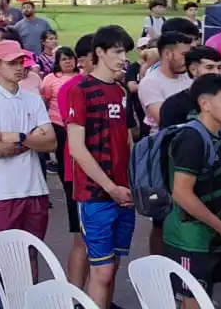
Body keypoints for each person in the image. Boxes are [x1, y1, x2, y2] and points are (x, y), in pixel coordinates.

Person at [0, 40, 57, 299]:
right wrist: (32, 139)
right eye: (13, 63)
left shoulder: (33, 99)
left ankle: (27, 301)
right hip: (3, 192)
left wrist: (18, 137)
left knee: (32, 251)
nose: (19, 67)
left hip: (34, 189)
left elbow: (52, 142)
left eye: (21, 62)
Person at [64, 25, 135, 309]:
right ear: (100, 52)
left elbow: (127, 137)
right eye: (117, 51)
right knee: (102, 269)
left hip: (123, 192)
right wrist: (110, 187)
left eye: (125, 51)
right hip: (96, 193)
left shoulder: (119, 90)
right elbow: (76, 148)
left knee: (113, 264)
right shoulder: (80, 90)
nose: (122, 57)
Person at [163, 73, 221, 308]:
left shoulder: (219, 133)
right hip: (188, 239)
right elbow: (181, 193)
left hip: (209, 235)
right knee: (194, 301)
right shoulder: (192, 138)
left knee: (202, 297)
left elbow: (220, 185)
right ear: (205, 104)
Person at [138, 32, 194, 131]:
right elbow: (165, 120)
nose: (188, 59)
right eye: (184, 54)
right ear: (168, 54)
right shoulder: (150, 83)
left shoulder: (190, 77)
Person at [157, 46, 221, 130]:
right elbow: (168, 139)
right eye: (209, 67)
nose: (217, 72)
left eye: (219, 68)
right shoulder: (174, 104)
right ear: (193, 69)